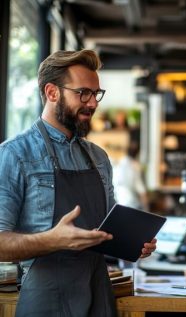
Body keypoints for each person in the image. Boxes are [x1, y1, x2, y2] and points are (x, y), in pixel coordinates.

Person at [0, 49, 156, 317]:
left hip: (99, 295)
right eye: (83, 93)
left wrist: (133, 242)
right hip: (45, 300)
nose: (93, 103)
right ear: (52, 93)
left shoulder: (99, 157)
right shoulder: (14, 154)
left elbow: (109, 227)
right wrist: (52, 240)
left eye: (96, 94)